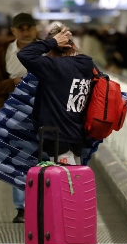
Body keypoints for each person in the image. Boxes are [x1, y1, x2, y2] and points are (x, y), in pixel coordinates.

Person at [0, 13, 38, 223]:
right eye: (20, 28)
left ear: (35, 29)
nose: (25, 32)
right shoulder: (4, 53)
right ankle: (22, 208)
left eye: (29, 27)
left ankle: (43, 204)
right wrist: (12, 82)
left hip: (45, 112)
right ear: (13, 31)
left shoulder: (49, 52)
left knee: (43, 160)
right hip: (13, 112)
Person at [16, 24, 96, 165]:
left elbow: (24, 54)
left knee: (64, 182)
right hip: (78, 134)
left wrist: (51, 42)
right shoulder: (87, 65)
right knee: (74, 177)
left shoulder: (52, 67)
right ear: (73, 46)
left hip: (58, 135)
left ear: (50, 51)